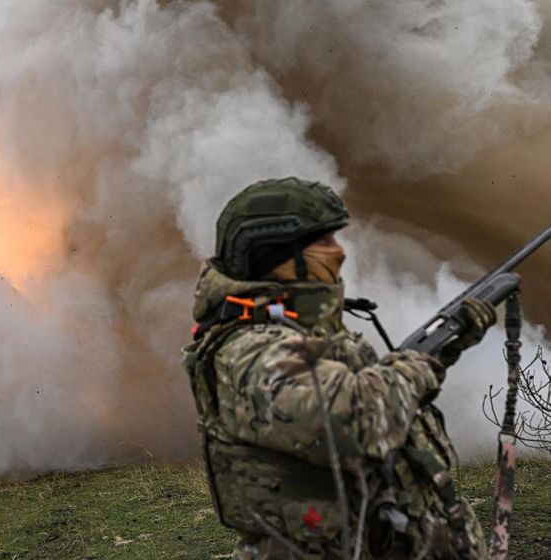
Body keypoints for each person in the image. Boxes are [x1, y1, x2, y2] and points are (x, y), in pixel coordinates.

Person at [183, 177, 495, 559]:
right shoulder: (250, 351)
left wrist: (441, 350)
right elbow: (353, 419)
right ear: (278, 255)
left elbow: (379, 400)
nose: (339, 253)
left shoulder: (300, 332)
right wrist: (415, 368)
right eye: (323, 242)